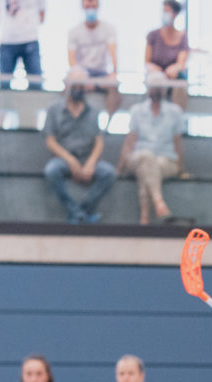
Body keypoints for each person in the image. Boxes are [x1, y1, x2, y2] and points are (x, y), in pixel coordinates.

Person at [44, 67, 116, 223]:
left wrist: (90, 164)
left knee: (109, 173)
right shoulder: (54, 110)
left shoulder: (94, 112)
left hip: (87, 158)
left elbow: (99, 142)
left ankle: (81, 211)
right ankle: (76, 211)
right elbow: (50, 141)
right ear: (67, 85)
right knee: (51, 170)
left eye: (81, 85)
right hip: (63, 159)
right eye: (74, 85)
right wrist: (71, 161)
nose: (77, 89)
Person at [118, 71, 185, 224]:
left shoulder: (175, 112)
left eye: (159, 88)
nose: (156, 91)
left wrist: (181, 168)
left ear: (165, 90)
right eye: (154, 87)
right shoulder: (137, 110)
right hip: (138, 157)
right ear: (148, 89)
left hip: (166, 160)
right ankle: (159, 203)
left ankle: (145, 218)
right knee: (147, 157)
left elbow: (178, 142)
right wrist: (120, 166)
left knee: (147, 169)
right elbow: (130, 140)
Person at [67, 0, 119, 115]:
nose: (90, 7)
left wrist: (114, 71)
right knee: (72, 81)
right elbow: (71, 60)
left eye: (93, 4)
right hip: (82, 73)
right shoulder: (74, 31)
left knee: (114, 84)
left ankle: (109, 121)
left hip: (101, 73)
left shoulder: (108, 29)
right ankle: (73, 117)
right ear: (82, 6)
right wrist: (82, 78)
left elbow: (113, 52)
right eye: (87, 4)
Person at [145, 0, 187, 108]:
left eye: (167, 11)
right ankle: (155, 111)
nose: (164, 14)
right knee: (156, 80)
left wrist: (174, 69)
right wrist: (154, 69)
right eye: (163, 11)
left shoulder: (182, 36)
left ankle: (177, 114)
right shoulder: (153, 35)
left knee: (179, 86)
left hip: (174, 76)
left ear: (175, 14)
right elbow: (147, 61)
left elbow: (181, 63)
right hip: (156, 75)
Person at [0, 0, 44, 90]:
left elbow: (42, 14)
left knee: (36, 84)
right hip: (7, 41)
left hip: (30, 39)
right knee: (4, 86)